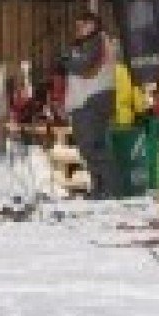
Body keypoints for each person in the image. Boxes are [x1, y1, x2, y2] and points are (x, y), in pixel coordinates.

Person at [63, 10, 122, 198]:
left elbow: (83, 66)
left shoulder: (97, 41)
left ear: (93, 25)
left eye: (82, 25)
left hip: (93, 98)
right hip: (87, 99)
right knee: (88, 147)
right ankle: (100, 188)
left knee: (92, 146)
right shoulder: (90, 43)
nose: (78, 30)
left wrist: (66, 59)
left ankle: (111, 189)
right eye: (77, 26)